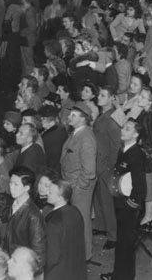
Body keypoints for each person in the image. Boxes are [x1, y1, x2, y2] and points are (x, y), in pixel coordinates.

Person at [100, 118, 147, 280]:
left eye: (127, 129)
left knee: (125, 246)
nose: (122, 131)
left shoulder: (135, 154)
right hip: (120, 203)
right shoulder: (125, 149)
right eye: (123, 127)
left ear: (136, 134)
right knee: (122, 244)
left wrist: (129, 206)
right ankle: (119, 275)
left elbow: (140, 187)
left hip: (127, 207)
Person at [60, 102, 97, 261]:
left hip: (79, 187)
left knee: (82, 220)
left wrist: (77, 188)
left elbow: (89, 172)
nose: (69, 117)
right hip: (72, 184)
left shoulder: (86, 138)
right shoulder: (77, 133)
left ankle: (85, 255)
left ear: (84, 119)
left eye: (74, 115)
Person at [2, 167, 45, 276]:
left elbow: (39, 255)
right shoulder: (12, 205)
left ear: (26, 188)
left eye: (16, 185)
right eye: (10, 183)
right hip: (10, 266)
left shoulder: (33, 215)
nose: (11, 188)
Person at [93, 86, 120, 250]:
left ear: (111, 99)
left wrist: (110, 167)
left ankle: (113, 236)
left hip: (105, 167)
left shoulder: (112, 119)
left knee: (107, 202)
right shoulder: (103, 115)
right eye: (99, 94)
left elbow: (116, 146)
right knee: (99, 198)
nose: (99, 97)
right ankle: (101, 226)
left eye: (103, 95)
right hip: (98, 164)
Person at [43, 180, 87, 280]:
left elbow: (52, 256)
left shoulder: (54, 222)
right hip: (75, 270)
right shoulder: (76, 211)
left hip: (57, 274)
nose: (47, 193)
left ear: (60, 198)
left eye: (50, 192)